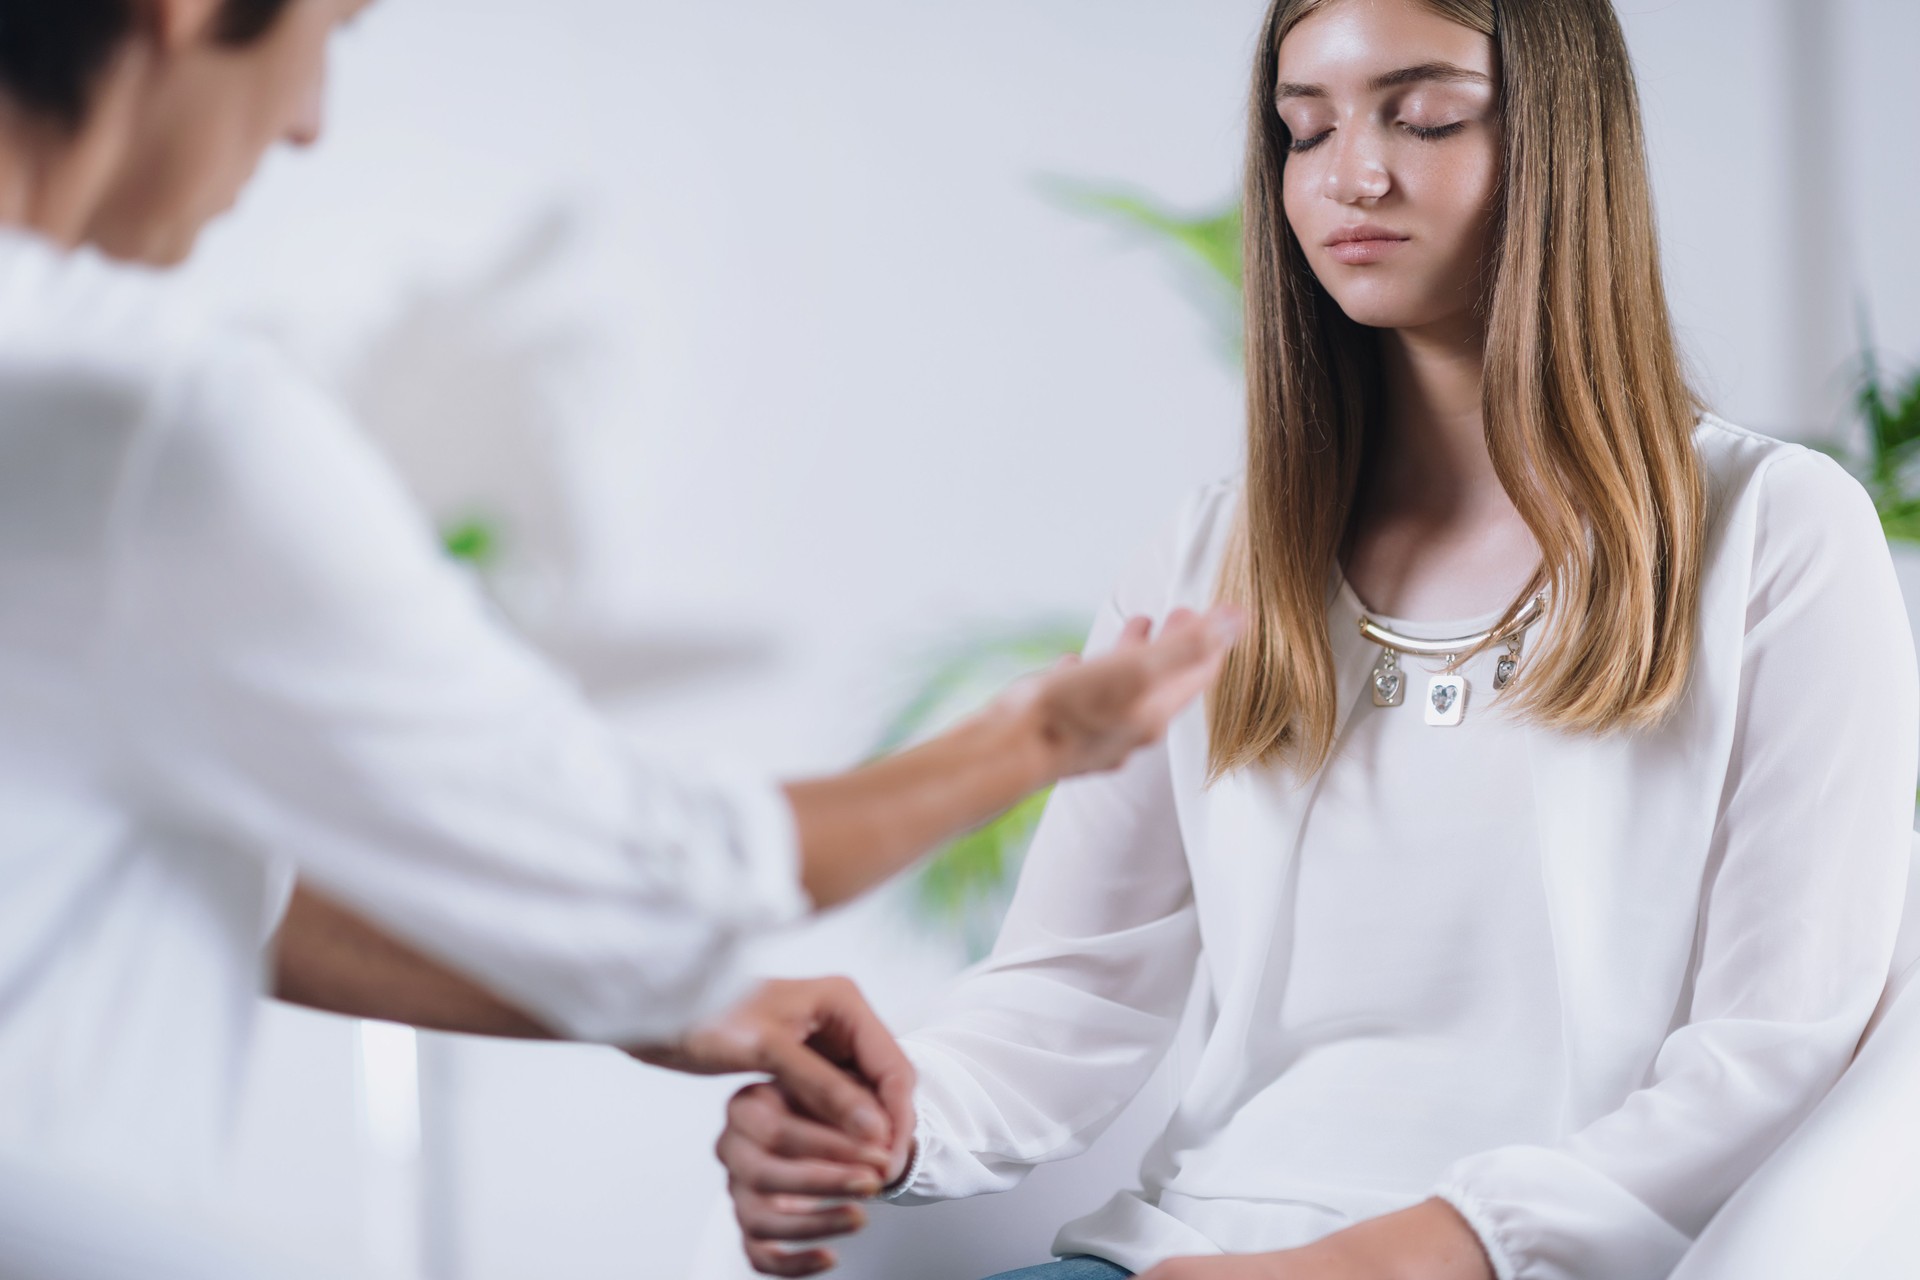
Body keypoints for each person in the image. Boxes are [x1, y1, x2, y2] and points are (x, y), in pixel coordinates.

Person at [0, 0, 1240, 1261]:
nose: (309, 120)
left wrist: (672, 999)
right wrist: (1031, 737)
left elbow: (224, 885)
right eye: (331, 31)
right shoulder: (143, 422)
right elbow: (658, 868)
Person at [714, 0, 1919, 1277]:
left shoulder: (1777, 532)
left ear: (1567, 141)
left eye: (1429, 115)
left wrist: (1381, 1257)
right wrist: (885, 1116)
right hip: (1180, 1252)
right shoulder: (1211, 558)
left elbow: (1774, 1048)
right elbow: (1072, 990)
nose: (1353, 173)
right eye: (1305, 128)